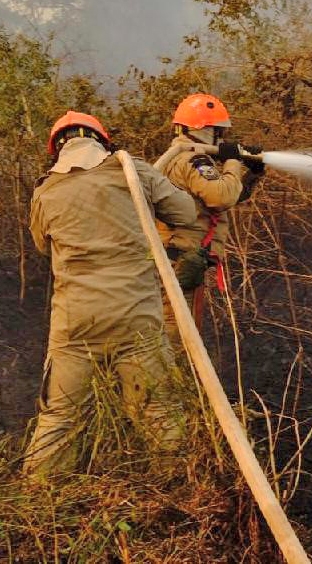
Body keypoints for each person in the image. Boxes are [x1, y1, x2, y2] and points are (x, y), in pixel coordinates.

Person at [24, 111, 197, 476]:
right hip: (136, 317)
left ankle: (44, 498)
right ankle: (178, 485)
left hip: (75, 323)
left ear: (56, 149)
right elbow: (185, 212)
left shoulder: (45, 190)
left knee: (59, 416)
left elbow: (42, 245)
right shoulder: (133, 171)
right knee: (158, 408)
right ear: (103, 140)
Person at [155, 93, 264, 347]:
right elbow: (221, 197)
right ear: (205, 130)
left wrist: (253, 174)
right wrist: (232, 160)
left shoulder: (178, 157)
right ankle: (174, 381)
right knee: (178, 330)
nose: (221, 138)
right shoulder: (194, 159)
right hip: (182, 256)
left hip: (177, 255)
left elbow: (224, 196)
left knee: (173, 322)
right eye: (219, 132)